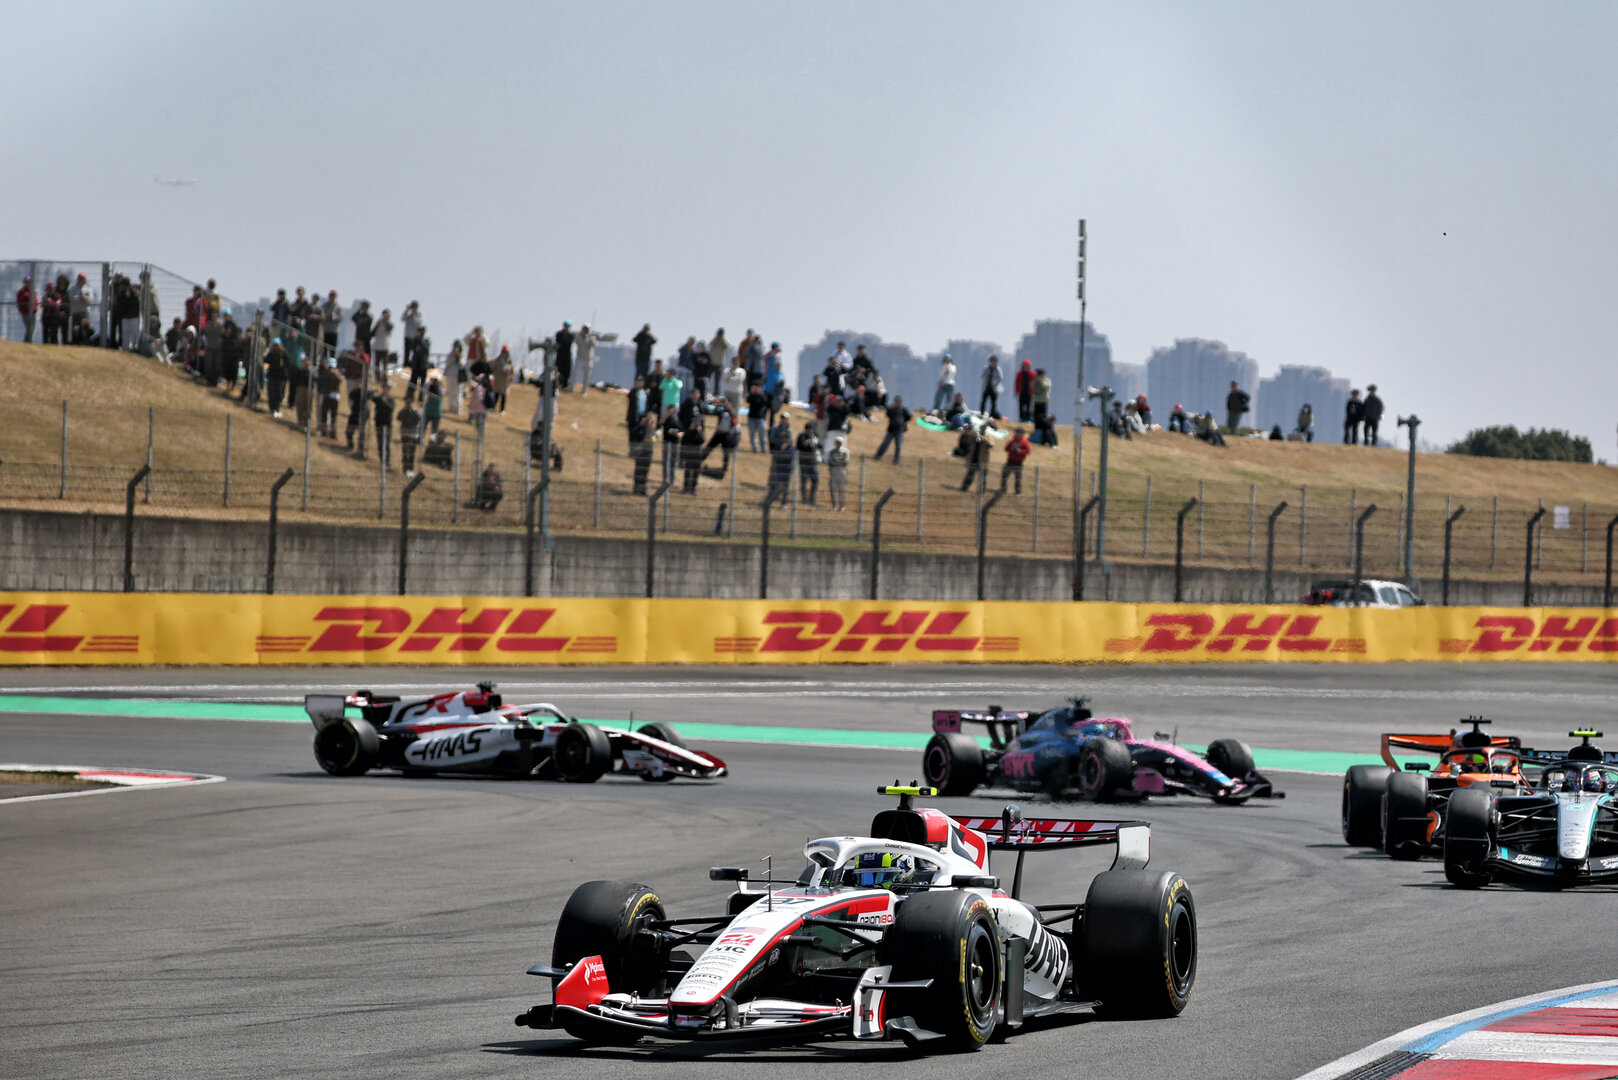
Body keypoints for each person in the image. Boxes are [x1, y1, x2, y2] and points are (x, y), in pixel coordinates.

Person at [874, 395, 912, 463]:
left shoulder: (903, 409)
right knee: (885, 444)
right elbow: (888, 414)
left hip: (900, 430)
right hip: (891, 430)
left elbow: (909, 417)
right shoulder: (892, 409)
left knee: (898, 446)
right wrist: (892, 408)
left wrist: (903, 421)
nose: (897, 403)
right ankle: (878, 456)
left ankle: (896, 460)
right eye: (896, 401)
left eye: (898, 402)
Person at [629, 407, 656, 495]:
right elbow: (632, 433)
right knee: (638, 471)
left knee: (644, 471)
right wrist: (640, 425)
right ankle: (636, 488)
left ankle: (642, 489)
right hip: (639, 452)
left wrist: (649, 429)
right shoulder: (640, 428)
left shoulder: (652, 431)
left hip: (647, 453)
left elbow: (651, 440)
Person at [960, 423, 993, 490]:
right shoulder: (976, 434)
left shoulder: (988, 436)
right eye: (982, 427)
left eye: (984, 428)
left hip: (983, 459)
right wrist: (971, 436)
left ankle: (981, 490)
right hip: (974, 458)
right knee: (970, 474)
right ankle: (964, 487)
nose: (983, 429)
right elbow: (967, 442)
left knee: (982, 476)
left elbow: (991, 444)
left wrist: (985, 440)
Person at [263, 337, 290, 417]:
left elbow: (287, 363)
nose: (275, 347)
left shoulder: (283, 354)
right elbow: (266, 361)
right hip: (272, 375)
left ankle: (277, 408)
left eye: (277, 345)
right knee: (271, 392)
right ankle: (271, 407)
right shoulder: (271, 353)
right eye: (274, 345)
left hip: (280, 376)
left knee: (279, 393)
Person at [1001, 426, 1031, 493]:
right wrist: (1011, 449)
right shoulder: (1012, 441)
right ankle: (1003, 489)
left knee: (1018, 478)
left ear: (1022, 434)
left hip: (1019, 462)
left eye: (1020, 433)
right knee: (1005, 475)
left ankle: (1018, 491)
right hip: (1010, 461)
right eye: (1017, 432)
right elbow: (1006, 449)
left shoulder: (1025, 442)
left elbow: (1028, 451)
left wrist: (1020, 451)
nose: (1018, 434)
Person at [795, 422, 820, 505]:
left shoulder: (814, 437)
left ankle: (812, 499)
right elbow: (798, 446)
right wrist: (805, 443)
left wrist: (816, 443)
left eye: (811, 429)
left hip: (813, 462)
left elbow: (821, 446)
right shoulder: (801, 436)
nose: (810, 431)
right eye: (809, 429)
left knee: (815, 480)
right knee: (804, 481)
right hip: (804, 462)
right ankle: (804, 499)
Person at [398, 394, 423, 475]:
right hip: (405, 435)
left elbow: (419, 418)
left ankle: (410, 469)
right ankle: (405, 469)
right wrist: (405, 410)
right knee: (405, 453)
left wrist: (413, 410)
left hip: (413, 435)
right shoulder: (403, 411)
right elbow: (399, 418)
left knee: (412, 453)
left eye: (410, 403)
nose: (409, 404)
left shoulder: (416, 412)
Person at [371, 384, 395, 467]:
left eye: (386, 389)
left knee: (386, 442)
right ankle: (381, 458)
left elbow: (391, 408)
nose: (385, 391)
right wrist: (373, 390)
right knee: (380, 442)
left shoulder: (391, 399)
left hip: (387, 423)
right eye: (384, 389)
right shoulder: (378, 398)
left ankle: (387, 460)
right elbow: (369, 397)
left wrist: (386, 402)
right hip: (379, 422)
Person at [826, 434, 850, 511]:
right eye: (837, 442)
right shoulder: (831, 452)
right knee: (833, 488)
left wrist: (837, 462)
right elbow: (830, 461)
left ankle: (842, 505)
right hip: (833, 471)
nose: (838, 443)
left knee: (842, 489)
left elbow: (846, 461)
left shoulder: (845, 452)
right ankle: (834, 505)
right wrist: (838, 462)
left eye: (839, 442)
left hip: (842, 471)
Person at [746, 383, 770, 452]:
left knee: (762, 434)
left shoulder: (762, 395)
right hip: (751, 417)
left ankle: (764, 449)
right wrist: (752, 393)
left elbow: (764, 401)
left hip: (760, 417)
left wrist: (759, 393)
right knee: (752, 434)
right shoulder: (752, 395)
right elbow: (748, 400)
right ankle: (754, 448)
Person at [575, 324, 597, 394]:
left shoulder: (592, 337)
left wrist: (589, 337)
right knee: (575, 373)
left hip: (588, 360)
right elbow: (577, 342)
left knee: (587, 377)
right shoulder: (579, 337)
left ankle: (584, 391)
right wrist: (580, 336)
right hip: (580, 358)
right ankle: (570, 388)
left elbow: (594, 344)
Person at [554, 321, 574, 391]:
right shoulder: (559, 334)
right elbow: (558, 341)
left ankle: (564, 385)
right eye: (565, 325)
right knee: (558, 370)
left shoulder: (571, 335)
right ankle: (557, 384)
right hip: (560, 355)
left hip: (567, 355)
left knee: (567, 371)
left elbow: (568, 343)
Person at [15, 276, 36, 343]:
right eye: (27, 282)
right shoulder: (21, 292)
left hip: (32, 312)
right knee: (29, 327)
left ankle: (27, 341)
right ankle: (27, 341)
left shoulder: (32, 291)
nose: (28, 283)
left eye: (29, 282)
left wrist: (35, 309)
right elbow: (20, 302)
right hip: (25, 312)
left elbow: (35, 301)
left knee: (31, 328)